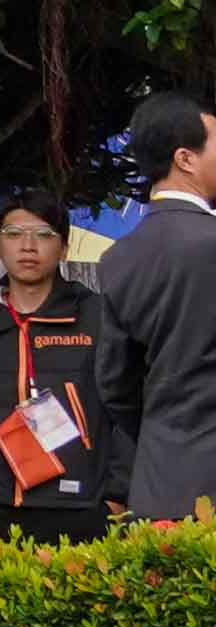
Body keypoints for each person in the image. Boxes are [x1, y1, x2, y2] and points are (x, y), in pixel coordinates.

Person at [0, 195, 113, 541]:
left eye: (44, 234)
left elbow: (126, 409)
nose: (28, 245)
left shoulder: (96, 316)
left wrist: (115, 498)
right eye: (14, 233)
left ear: (64, 248)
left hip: (81, 506)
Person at [99, 95, 216, 526]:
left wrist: (164, 427)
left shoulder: (118, 257)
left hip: (159, 484)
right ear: (185, 158)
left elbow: (114, 383)